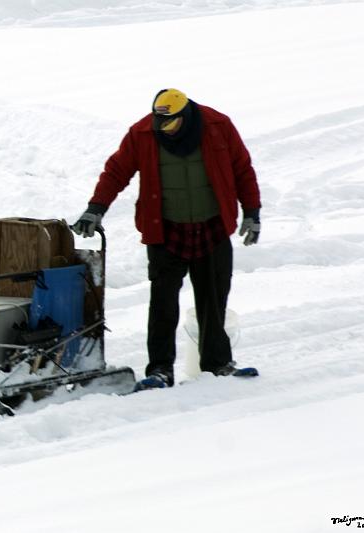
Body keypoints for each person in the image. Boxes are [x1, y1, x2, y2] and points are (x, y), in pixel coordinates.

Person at [71, 88, 261, 388]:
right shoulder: (143, 132)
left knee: (213, 301)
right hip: (165, 231)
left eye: (171, 124)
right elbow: (116, 171)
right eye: (161, 124)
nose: (165, 130)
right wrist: (96, 208)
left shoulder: (217, 126)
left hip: (212, 228)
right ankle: (160, 370)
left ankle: (218, 364)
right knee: (162, 304)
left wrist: (252, 211)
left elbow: (242, 169)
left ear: (185, 116)